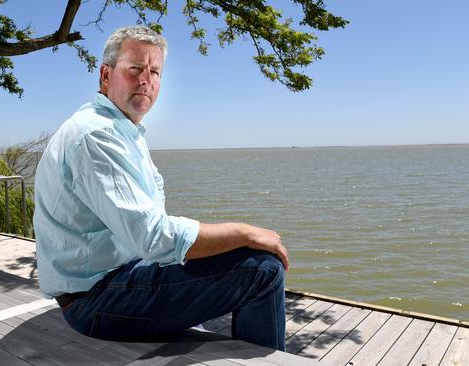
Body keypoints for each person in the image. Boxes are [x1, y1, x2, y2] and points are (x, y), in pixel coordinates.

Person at [33, 25, 290, 351]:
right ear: (105, 75)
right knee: (263, 269)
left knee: (228, 255)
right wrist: (245, 232)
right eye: (135, 69)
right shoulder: (95, 135)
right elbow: (152, 237)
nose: (146, 80)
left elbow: (151, 228)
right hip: (94, 300)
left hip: (119, 274)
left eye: (154, 72)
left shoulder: (124, 131)